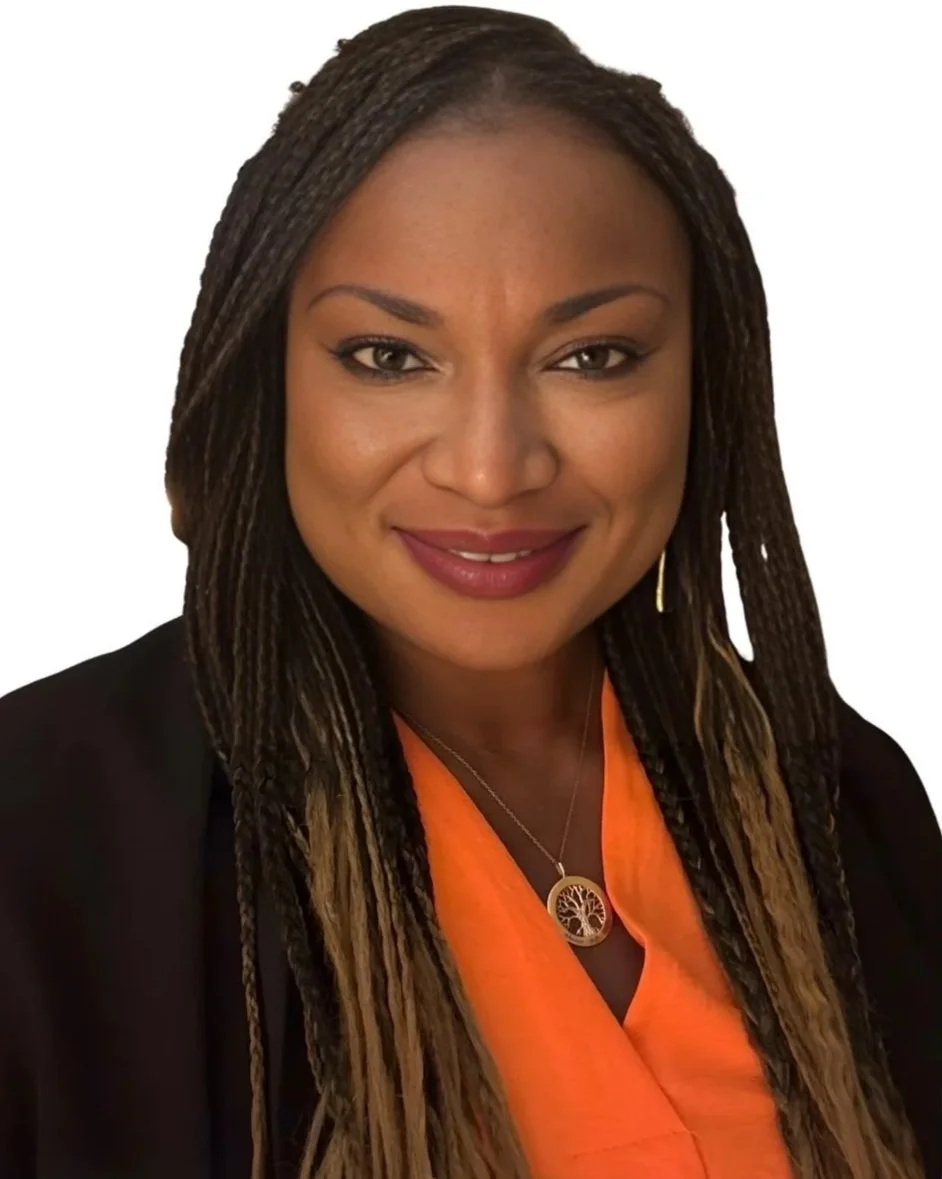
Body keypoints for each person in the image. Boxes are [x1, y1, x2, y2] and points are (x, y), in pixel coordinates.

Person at [0, 6, 939, 1179]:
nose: (491, 469)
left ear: (707, 382)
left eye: (591, 357)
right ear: (264, 376)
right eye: (389, 358)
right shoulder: (41, 841)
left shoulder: (836, 806)